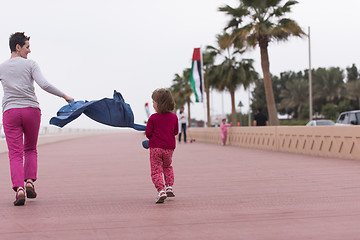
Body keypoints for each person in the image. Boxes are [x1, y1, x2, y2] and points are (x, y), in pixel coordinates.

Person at [0, 32, 74, 206]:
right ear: (17, 47)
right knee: (30, 149)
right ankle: (29, 182)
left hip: (10, 112)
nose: (29, 51)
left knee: (15, 154)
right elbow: (44, 84)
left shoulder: (2, 67)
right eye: (27, 47)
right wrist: (64, 96)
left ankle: (19, 188)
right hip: (31, 111)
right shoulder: (31, 65)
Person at [145, 88, 179, 204]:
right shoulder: (174, 117)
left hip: (155, 148)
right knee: (167, 167)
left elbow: (148, 133)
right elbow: (175, 132)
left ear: (158, 104)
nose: (153, 104)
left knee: (156, 170)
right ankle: (169, 187)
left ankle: (161, 190)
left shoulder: (153, 118)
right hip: (169, 148)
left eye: (154, 102)